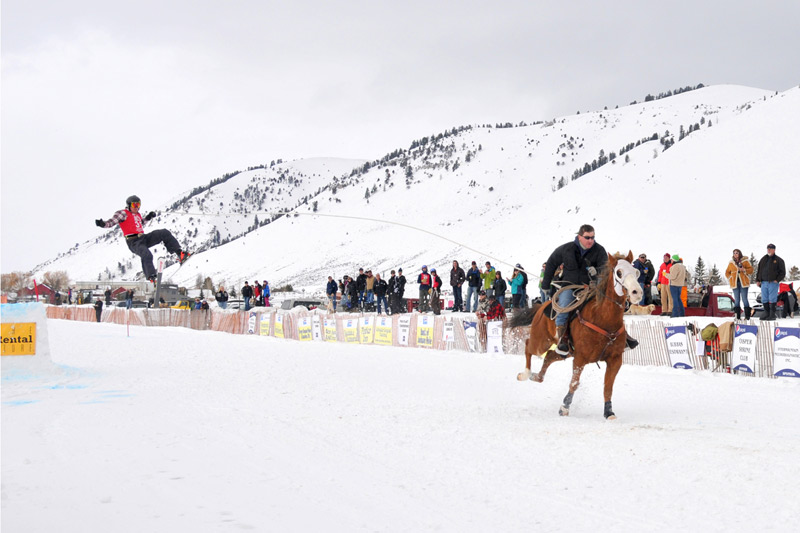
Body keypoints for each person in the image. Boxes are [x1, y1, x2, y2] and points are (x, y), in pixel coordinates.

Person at [541, 224, 609, 356]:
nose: (590, 240)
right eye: (587, 237)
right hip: (569, 286)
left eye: (593, 237)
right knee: (564, 306)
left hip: (591, 287)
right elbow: (551, 264)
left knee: (607, 306)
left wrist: (598, 270)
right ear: (579, 236)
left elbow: (606, 267)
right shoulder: (566, 249)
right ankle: (562, 339)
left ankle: (620, 337)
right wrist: (545, 285)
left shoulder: (599, 250)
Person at [95, 195, 190, 282]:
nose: (137, 207)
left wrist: (148, 217)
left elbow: (141, 223)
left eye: (138, 204)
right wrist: (103, 224)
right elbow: (112, 222)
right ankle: (151, 276)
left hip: (143, 238)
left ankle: (180, 254)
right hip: (133, 242)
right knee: (147, 254)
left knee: (163, 233)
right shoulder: (123, 213)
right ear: (129, 205)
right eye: (134, 204)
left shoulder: (137, 215)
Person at [756, 243, 786, 321]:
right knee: (764, 299)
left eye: (770, 249)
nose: (769, 250)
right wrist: (758, 280)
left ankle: (772, 314)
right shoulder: (763, 259)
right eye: (768, 248)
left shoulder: (778, 260)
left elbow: (783, 272)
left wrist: (777, 279)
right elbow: (759, 270)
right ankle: (766, 312)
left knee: (772, 298)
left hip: (773, 282)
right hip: (763, 282)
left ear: (774, 250)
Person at [725, 248, 754, 320]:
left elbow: (751, 270)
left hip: (743, 283)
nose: (735, 254)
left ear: (739, 253)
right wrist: (730, 277)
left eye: (737, 253)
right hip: (735, 283)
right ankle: (737, 316)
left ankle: (747, 316)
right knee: (737, 299)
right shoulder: (731, 263)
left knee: (744, 299)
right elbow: (727, 272)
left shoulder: (745, 261)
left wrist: (744, 270)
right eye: (734, 253)